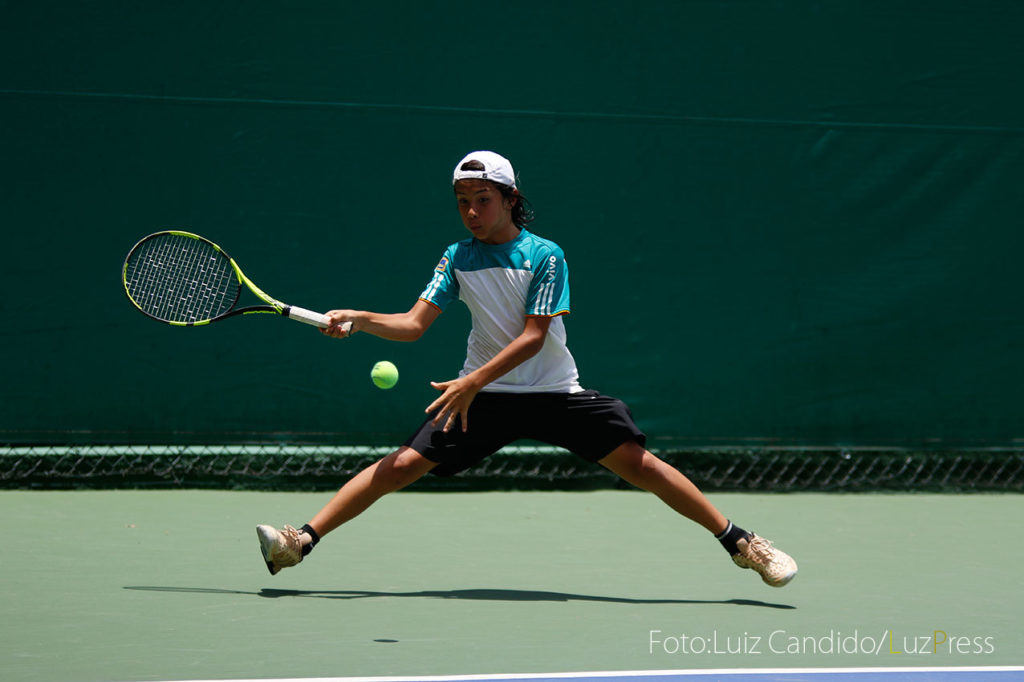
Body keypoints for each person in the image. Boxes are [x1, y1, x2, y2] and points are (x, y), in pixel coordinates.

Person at [257, 151, 797, 587]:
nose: (472, 212)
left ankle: (743, 544)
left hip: (551, 392)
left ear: (510, 199)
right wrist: (361, 319)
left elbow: (534, 337)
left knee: (641, 467)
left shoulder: (546, 256)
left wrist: (472, 380)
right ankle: (298, 543)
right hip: (484, 397)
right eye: (463, 202)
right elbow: (414, 324)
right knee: (399, 466)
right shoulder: (456, 256)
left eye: (483, 200)